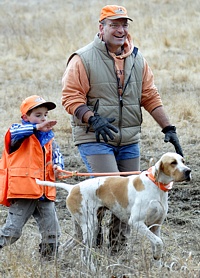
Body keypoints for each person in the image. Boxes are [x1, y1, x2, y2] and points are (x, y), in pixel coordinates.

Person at [61, 5, 183, 254]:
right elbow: (70, 97)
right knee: (108, 193)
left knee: (129, 201)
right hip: (94, 138)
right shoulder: (82, 58)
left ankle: (116, 253)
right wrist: (92, 119)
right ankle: (89, 248)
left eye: (124, 25)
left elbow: (149, 95)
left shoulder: (138, 59)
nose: (120, 30)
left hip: (128, 139)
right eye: (114, 25)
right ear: (101, 28)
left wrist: (168, 127)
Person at [0, 95, 64, 259]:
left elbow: (56, 155)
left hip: (45, 191)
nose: (43, 119)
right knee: (11, 232)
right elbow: (14, 132)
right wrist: (37, 127)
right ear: (25, 117)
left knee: (52, 232)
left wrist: (58, 166)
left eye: (45, 115)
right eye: (38, 115)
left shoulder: (49, 138)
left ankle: (48, 262)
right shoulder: (16, 133)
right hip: (24, 192)